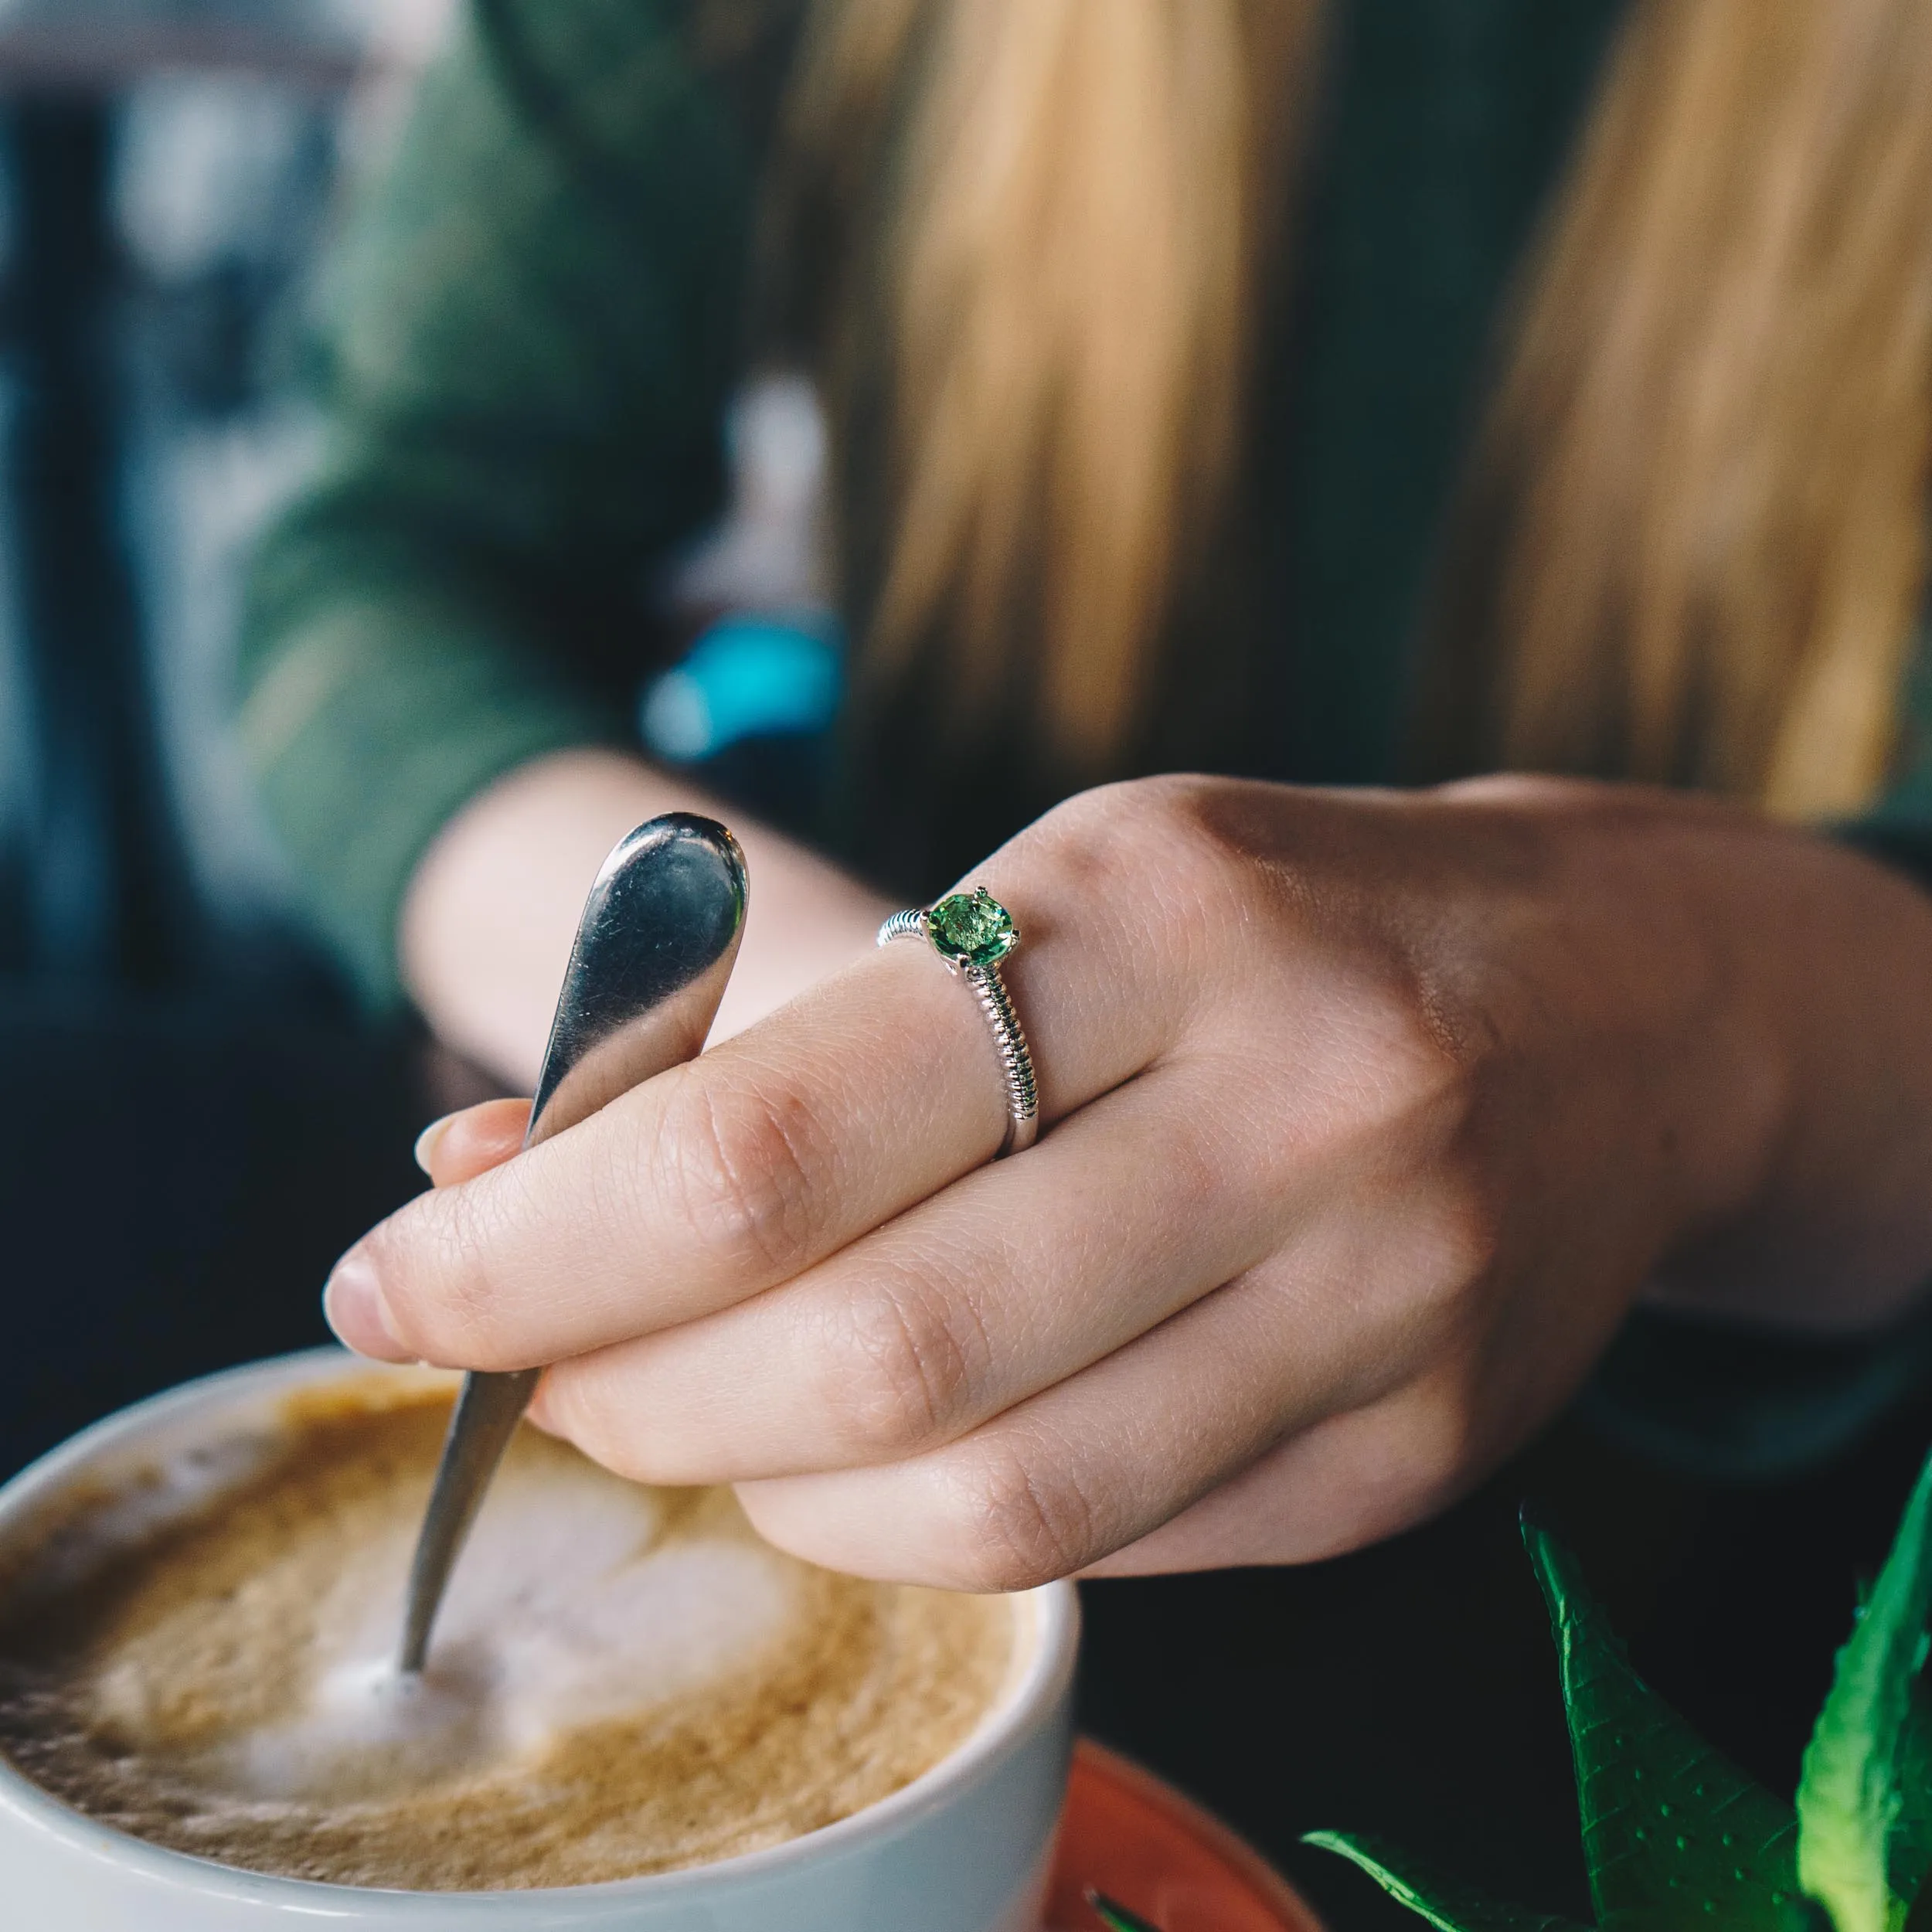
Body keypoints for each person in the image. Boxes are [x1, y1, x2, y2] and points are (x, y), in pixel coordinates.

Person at [248, 0, 1932, 1641]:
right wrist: (841, 1092)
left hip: (1800, 1612)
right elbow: (381, 571)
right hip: (902, 1508)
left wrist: (1679, 1019)